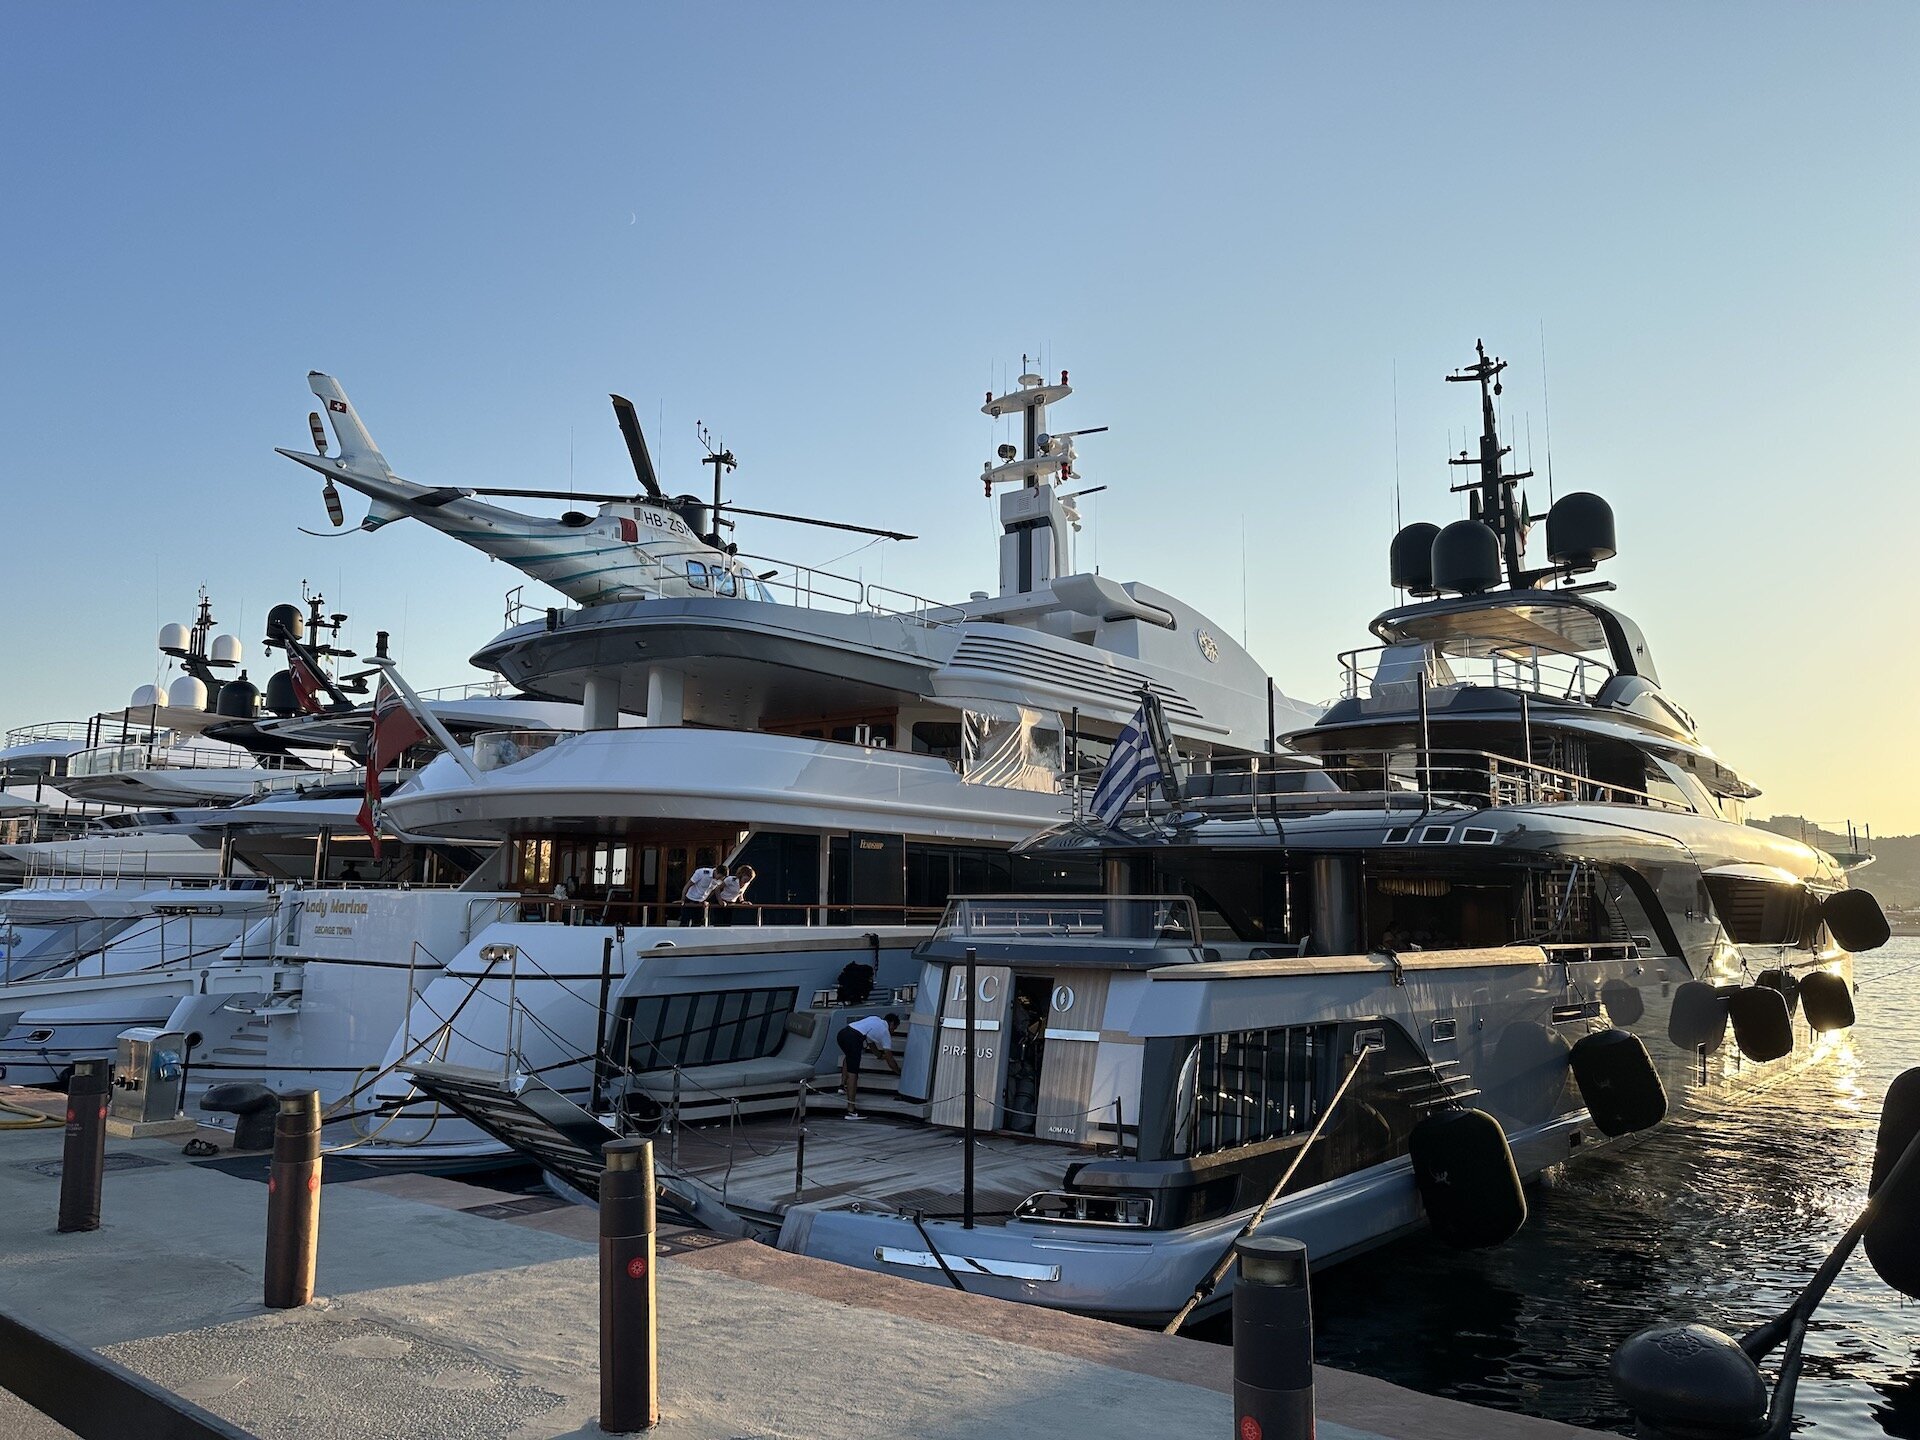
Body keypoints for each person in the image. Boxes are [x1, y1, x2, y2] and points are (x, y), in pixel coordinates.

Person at [836, 1012, 901, 1117]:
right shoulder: (885, 1032)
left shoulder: (874, 1020)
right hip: (854, 1038)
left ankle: (842, 1085)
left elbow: (871, 1045)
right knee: (853, 1074)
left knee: (849, 1057)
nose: (893, 1031)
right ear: (892, 1024)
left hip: (843, 1033)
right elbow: (890, 1059)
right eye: (894, 1029)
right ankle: (851, 1111)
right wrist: (899, 1072)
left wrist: (879, 1056)